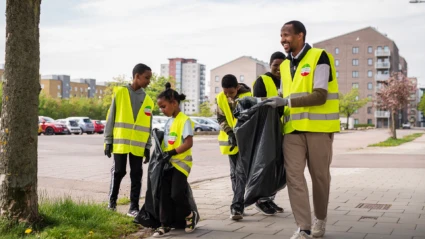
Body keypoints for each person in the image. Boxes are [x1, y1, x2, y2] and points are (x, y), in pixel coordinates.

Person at [266, 20, 339, 239]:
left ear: (300, 35)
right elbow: (286, 95)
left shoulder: (320, 57)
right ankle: (303, 227)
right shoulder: (285, 66)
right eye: (281, 35)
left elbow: (320, 95)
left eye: (287, 35)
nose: (283, 39)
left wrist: (285, 102)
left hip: (318, 129)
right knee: (294, 178)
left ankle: (321, 219)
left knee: (319, 177)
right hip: (292, 131)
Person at [104, 63, 154, 217]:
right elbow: (111, 118)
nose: (148, 81)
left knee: (137, 174)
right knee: (119, 171)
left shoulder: (148, 100)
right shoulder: (120, 93)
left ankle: (134, 207)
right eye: (146, 78)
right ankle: (111, 203)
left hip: (138, 145)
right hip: (120, 143)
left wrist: (147, 146)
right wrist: (108, 141)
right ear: (137, 76)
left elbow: (148, 125)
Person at [152, 83, 198, 237]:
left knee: (176, 194)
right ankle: (164, 224)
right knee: (164, 194)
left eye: (163, 106)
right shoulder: (169, 121)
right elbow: (168, 141)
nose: (161, 110)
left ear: (174, 103)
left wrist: (171, 152)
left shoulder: (184, 120)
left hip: (181, 163)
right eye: (160, 107)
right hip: (168, 163)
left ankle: (190, 215)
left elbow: (188, 143)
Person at [251, 51, 286, 216]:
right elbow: (258, 107)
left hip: (283, 128)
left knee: (277, 166)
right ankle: (260, 199)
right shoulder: (262, 81)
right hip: (267, 130)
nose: (278, 69)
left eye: (281, 65)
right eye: (275, 65)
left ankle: (269, 198)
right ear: (270, 65)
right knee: (266, 165)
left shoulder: (288, 82)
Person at [216, 74, 252, 220]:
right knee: (233, 174)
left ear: (237, 88)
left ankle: (236, 206)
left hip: (244, 141)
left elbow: (251, 119)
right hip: (231, 141)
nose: (228, 96)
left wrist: (240, 135)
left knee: (240, 173)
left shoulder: (248, 97)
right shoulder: (220, 97)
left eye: (231, 92)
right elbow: (220, 117)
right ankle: (239, 204)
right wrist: (230, 133)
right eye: (225, 92)